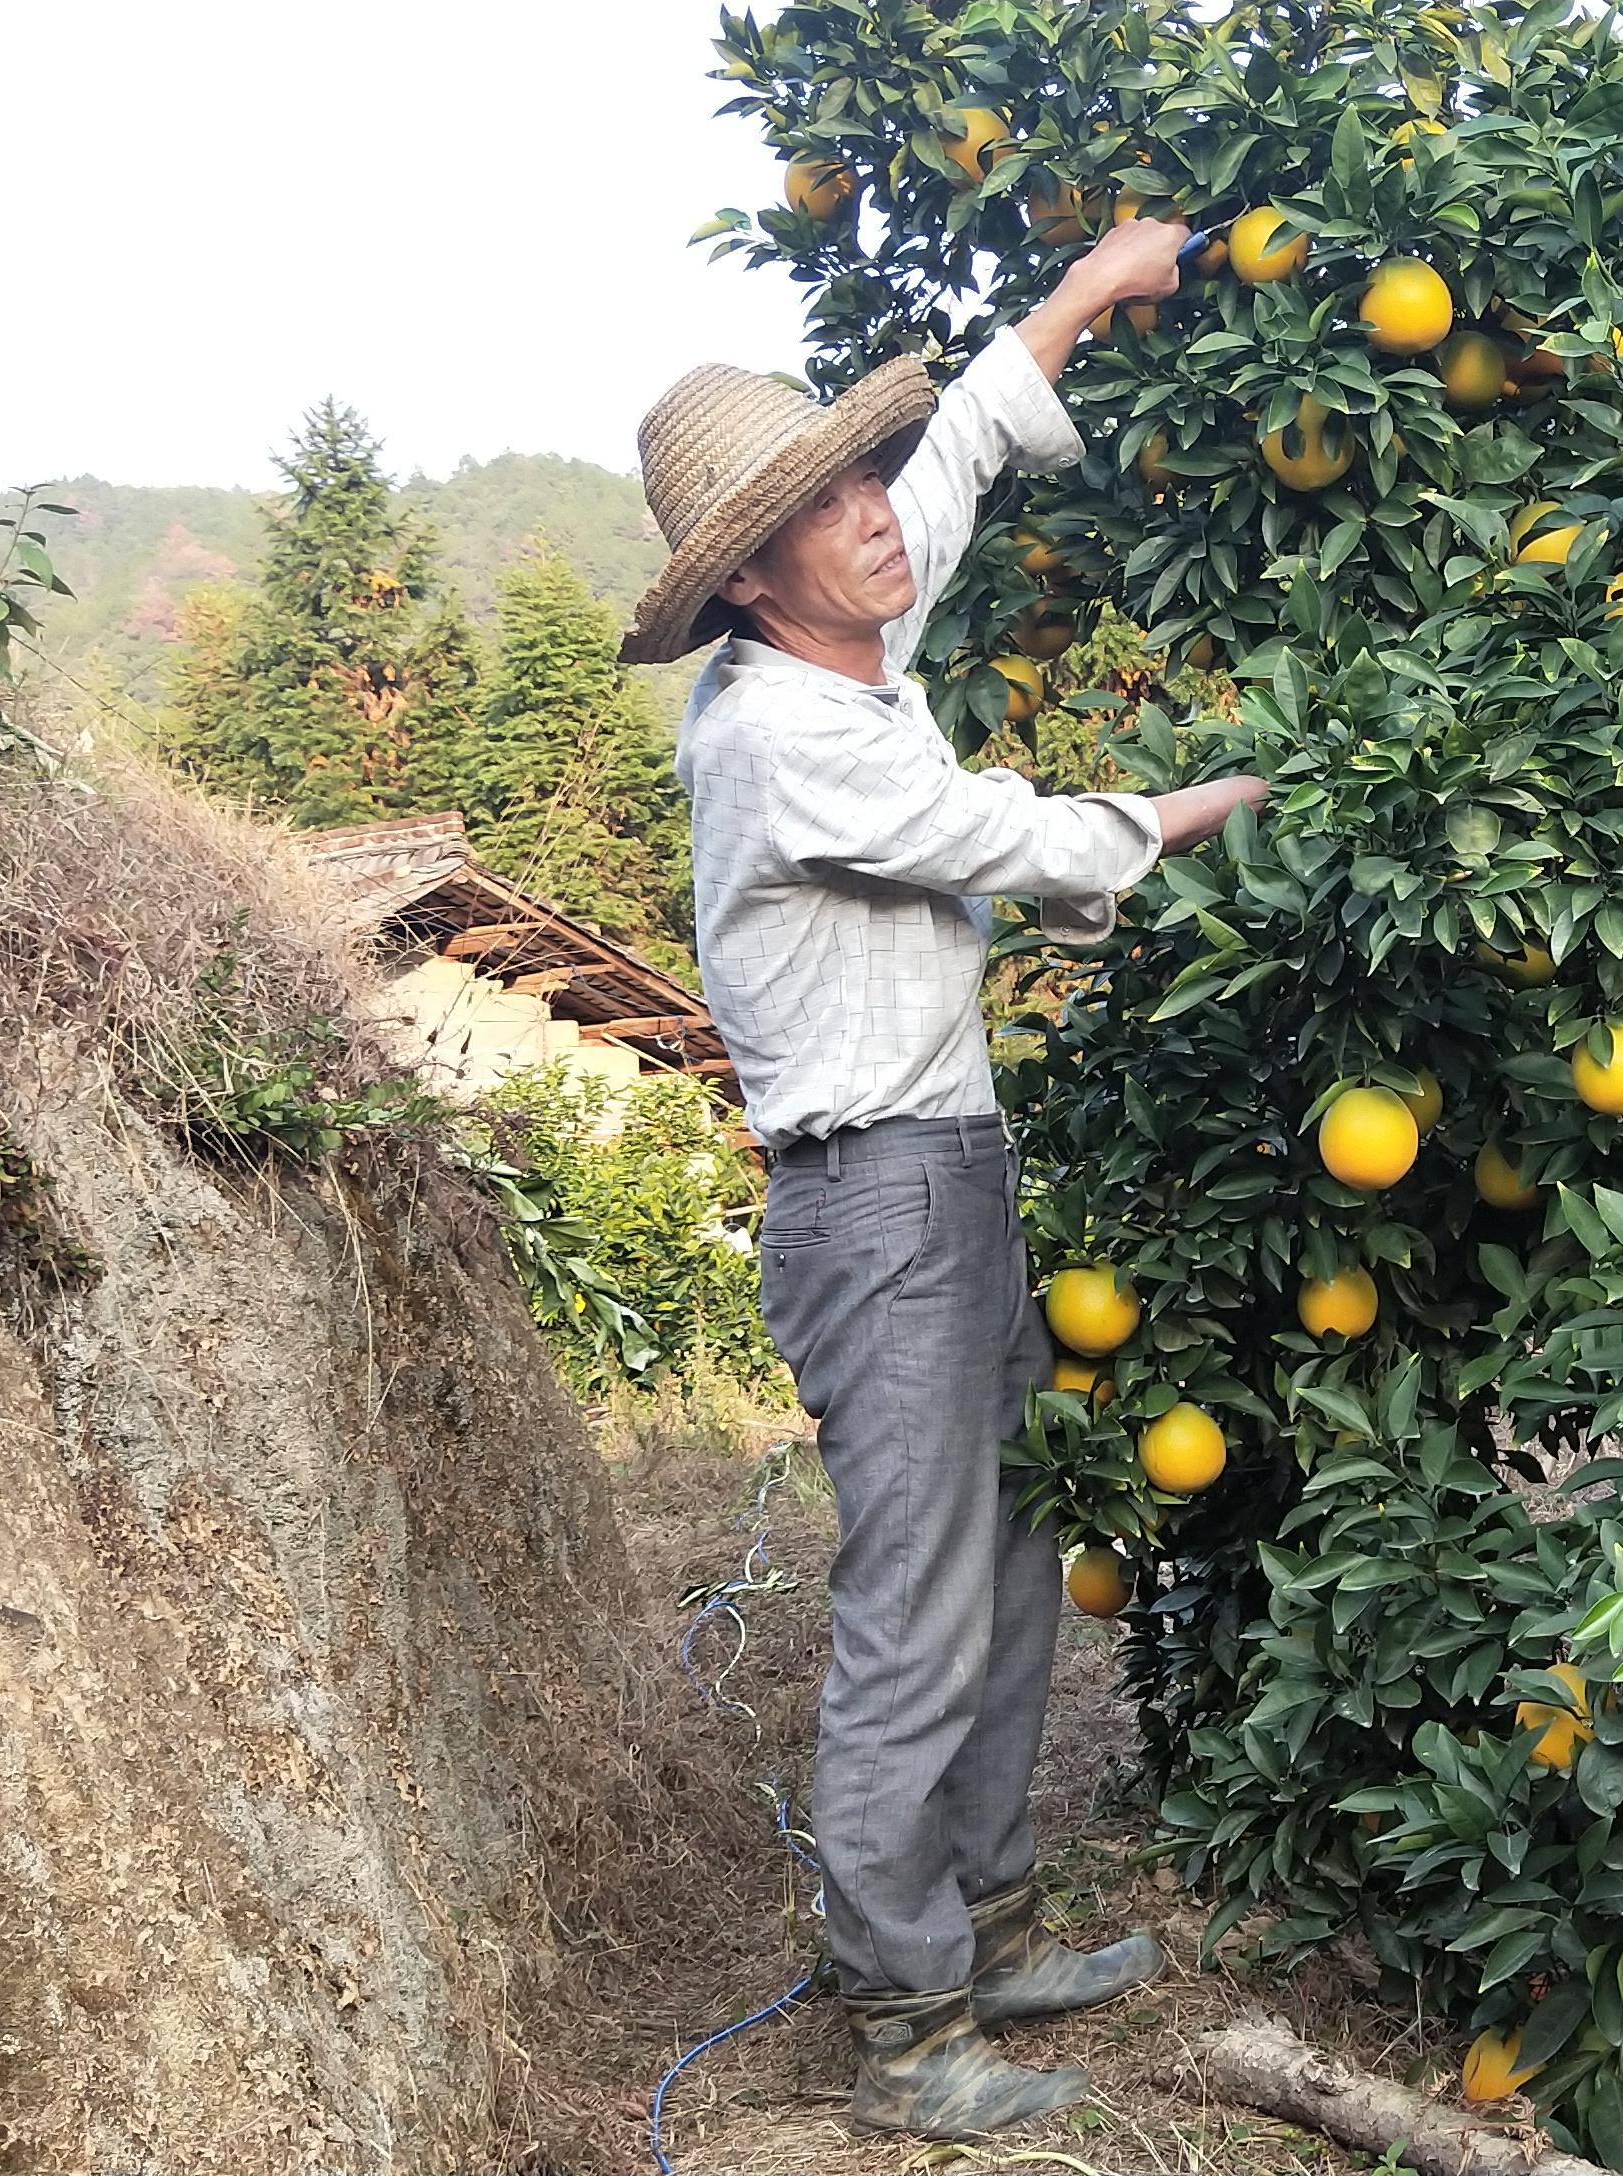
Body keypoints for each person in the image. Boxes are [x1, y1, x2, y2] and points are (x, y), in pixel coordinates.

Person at [617, 215, 1262, 2139]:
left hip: (947, 1177)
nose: (880, 519)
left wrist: (1082, 293)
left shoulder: (853, 637)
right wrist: (1189, 807)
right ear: (747, 574)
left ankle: (980, 1919)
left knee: (1000, 1558)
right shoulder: (784, 739)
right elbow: (1009, 837)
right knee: (911, 1606)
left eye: (865, 480)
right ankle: (904, 2026)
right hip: (871, 1206)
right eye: (832, 507)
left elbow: (962, 457)